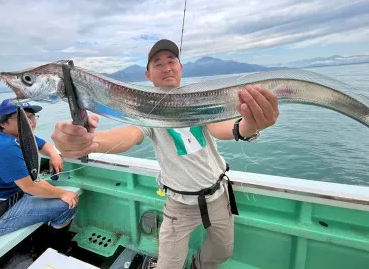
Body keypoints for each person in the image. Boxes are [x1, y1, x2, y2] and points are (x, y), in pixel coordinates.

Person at [51, 39, 279, 269]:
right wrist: (90, 141)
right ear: (148, 75)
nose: (167, 67)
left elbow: (222, 128)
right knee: (168, 265)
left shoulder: (198, 102)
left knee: (223, 250)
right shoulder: (146, 109)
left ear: (180, 67)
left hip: (218, 196)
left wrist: (249, 126)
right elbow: (129, 134)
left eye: (172, 61)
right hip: (179, 203)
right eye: (158, 63)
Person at [0, 98, 79, 253]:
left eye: (32, 116)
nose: (30, 121)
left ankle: (41, 240)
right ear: (3, 124)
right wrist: (63, 193)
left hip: (7, 200)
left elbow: (43, 145)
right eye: (22, 118)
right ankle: (50, 248)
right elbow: (30, 186)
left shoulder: (20, 139)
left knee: (53, 195)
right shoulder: (4, 147)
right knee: (66, 205)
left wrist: (55, 155)